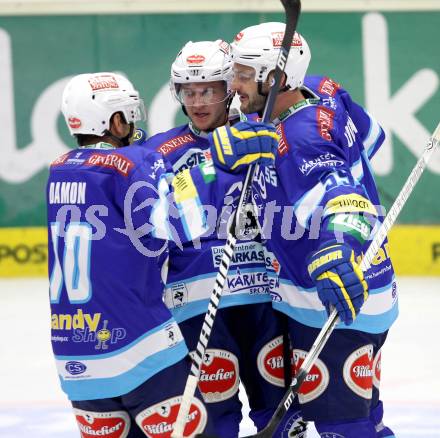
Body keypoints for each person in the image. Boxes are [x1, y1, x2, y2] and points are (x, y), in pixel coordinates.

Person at [47, 71, 277, 437]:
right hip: (139, 347)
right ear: (115, 121)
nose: (134, 124)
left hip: (75, 357)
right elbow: (183, 224)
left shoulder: (59, 171)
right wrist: (212, 164)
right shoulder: (136, 162)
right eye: (128, 115)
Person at [213, 22, 398, 437]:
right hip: (371, 285)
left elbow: (346, 201)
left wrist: (335, 247)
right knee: (365, 420)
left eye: (243, 75)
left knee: (343, 428)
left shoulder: (299, 138)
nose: (234, 86)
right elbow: (371, 138)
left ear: (276, 78)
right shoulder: (323, 89)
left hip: (334, 298)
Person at [134, 40, 306, 437]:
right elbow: (153, 223)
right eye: (188, 92)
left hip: (265, 297)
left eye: (208, 89)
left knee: (282, 416)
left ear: (230, 87)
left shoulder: (264, 133)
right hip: (198, 305)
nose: (197, 101)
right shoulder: (159, 151)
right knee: (212, 421)